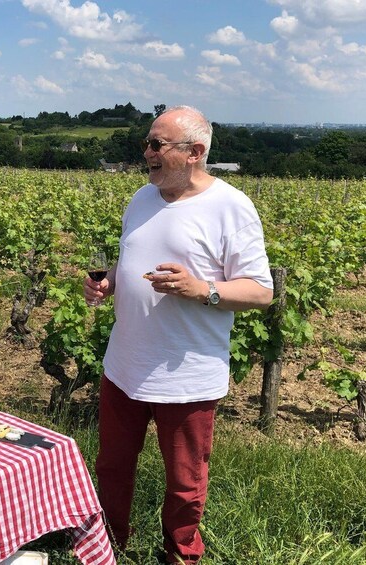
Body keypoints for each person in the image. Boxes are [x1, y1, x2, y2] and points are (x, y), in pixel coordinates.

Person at [84, 106, 273, 564]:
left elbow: (260, 291)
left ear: (195, 152)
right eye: (147, 142)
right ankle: (108, 548)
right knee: (111, 469)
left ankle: (180, 555)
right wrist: (108, 282)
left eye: (156, 144)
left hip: (185, 376)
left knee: (185, 482)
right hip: (124, 366)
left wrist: (201, 289)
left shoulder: (231, 207)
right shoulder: (141, 197)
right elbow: (129, 259)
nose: (145, 152)